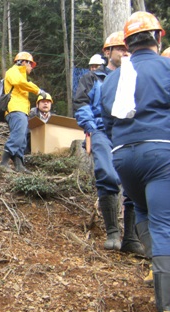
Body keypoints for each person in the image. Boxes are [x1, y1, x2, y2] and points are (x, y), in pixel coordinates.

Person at [101, 11, 170, 312]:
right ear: (158, 37)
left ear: (126, 43)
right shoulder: (166, 67)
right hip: (160, 153)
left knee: (141, 209)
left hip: (123, 158)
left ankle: (157, 270)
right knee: (164, 223)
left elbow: (107, 120)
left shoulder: (114, 77)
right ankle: (166, 310)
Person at [73, 31, 144, 255]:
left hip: (128, 133)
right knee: (107, 174)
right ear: (107, 52)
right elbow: (81, 103)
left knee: (133, 181)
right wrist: (91, 129)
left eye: (127, 49)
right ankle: (113, 232)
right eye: (120, 48)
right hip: (102, 130)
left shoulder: (133, 76)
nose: (125, 52)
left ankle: (131, 238)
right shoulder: (92, 77)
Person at [0, 51, 48, 173]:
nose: (31, 67)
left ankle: (19, 164)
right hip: (15, 109)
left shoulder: (22, 76)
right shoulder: (13, 71)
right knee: (18, 135)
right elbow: (19, 83)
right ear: (24, 62)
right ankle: (3, 163)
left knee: (22, 139)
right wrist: (37, 90)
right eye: (31, 64)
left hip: (21, 110)